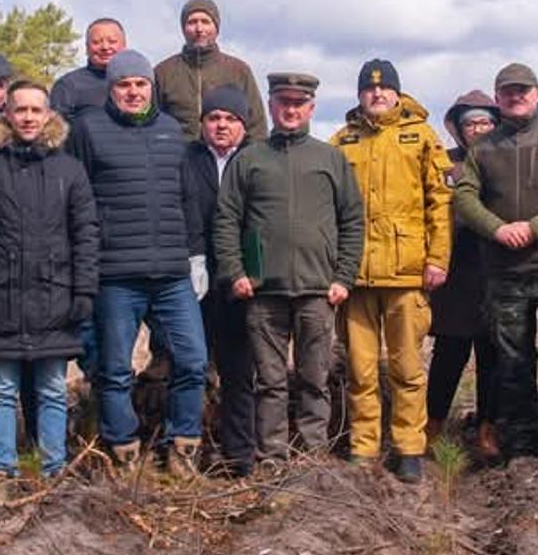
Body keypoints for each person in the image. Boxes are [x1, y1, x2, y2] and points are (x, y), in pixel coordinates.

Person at [66, 49, 211, 476]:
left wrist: (196, 255)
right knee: (112, 369)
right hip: (115, 276)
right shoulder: (88, 130)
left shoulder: (171, 131)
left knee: (192, 361)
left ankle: (181, 447)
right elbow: (77, 198)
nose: (133, 91)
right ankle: (123, 449)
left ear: (151, 87)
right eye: (124, 84)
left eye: (140, 84)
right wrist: (85, 260)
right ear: (112, 88)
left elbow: (187, 200)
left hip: (171, 274)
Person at [214, 72, 365, 462]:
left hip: (319, 290)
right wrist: (236, 273)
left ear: (311, 108)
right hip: (263, 293)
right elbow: (226, 219)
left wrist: (344, 277)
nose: (291, 109)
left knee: (315, 379)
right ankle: (273, 457)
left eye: (299, 103)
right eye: (284, 102)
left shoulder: (330, 159)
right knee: (270, 382)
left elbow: (352, 219)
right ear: (271, 106)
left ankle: (314, 456)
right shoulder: (248, 159)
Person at [0, 81, 98, 494]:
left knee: (53, 389)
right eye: (21, 110)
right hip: (2, 297)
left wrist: (83, 290)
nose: (29, 118)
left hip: (56, 296)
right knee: (2, 389)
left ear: (50, 115)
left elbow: (86, 233)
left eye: (37, 110)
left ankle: (52, 470)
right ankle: (3, 470)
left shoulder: (69, 170)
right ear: (7, 115)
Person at [453, 63, 538, 459]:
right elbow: (464, 197)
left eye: (523, 90)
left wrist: (534, 228)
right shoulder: (482, 148)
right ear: (498, 100)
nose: (516, 97)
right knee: (511, 361)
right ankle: (520, 438)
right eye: (507, 92)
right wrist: (498, 229)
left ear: (536, 95)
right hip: (504, 272)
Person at [331, 59, 452, 483]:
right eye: (369, 89)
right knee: (361, 369)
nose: (377, 95)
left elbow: (441, 201)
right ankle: (363, 446)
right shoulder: (342, 141)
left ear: (397, 94)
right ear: (360, 94)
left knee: (406, 367)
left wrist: (438, 258)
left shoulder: (421, 137)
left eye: (384, 90)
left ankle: (409, 447)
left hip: (406, 273)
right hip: (358, 276)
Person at [182, 85, 257, 475]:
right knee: (191, 369)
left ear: (243, 124)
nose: (221, 125)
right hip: (194, 281)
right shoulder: (186, 159)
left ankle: (239, 455)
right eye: (214, 118)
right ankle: (188, 451)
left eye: (230, 118)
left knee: (239, 372)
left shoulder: (256, 159)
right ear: (203, 123)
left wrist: (252, 272)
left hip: (241, 285)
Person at [426, 91, 502, 459]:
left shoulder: (506, 161)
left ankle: (488, 427)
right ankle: (433, 424)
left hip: (496, 271)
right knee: (449, 353)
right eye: (471, 122)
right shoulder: (445, 163)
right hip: (455, 274)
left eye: (486, 121)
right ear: (458, 127)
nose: (479, 129)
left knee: (493, 355)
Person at [154, 0, 269, 140]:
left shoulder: (239, 70)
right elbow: (153, 123)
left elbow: (256, 126)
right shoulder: (163, 72)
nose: (199, 29)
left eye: (205, 22)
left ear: (216, 27)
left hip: (229, 159)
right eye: (192, 22)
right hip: (178, 157)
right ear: (183, 28)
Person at [52, 18, 127, 122]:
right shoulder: (67, 86)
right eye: (96, 42)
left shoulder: (141, 83)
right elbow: (55, 131)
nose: (105, 47)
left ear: (124, 46)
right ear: (87, 48)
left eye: (112, 41)